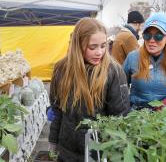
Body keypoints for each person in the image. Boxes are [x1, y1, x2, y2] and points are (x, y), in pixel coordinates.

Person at [48, 17, 130, 162]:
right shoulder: (62, 69)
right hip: (66, 150)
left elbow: (120, 117)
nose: (99, 52)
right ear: (78, 44)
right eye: (92, 47)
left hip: (98, 151)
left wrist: (115, 153)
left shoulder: (114, 71)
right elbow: (57, 112)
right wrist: (53, 143)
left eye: (103, 46)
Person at [123, 12, 166, 111]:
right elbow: (121, 85)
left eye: (158, 36)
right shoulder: (132, 57)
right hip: (136, 114)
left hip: (165, 116)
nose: (151, 40)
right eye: (147, 35)